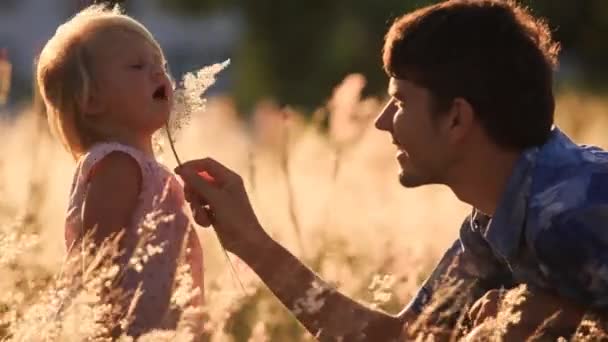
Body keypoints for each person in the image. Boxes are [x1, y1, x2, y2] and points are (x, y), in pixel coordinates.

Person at [176, 0, 606, 340]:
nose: (382, 121)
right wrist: (250, 242)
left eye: (399, 102)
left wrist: (566, 319)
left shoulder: (572, 212)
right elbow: (404, 337)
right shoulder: (495, 219)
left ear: (456, 118)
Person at [36, 5, 203, 337]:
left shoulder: (142, 168)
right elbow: (100, 267)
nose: (159, 74)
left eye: (161, 65)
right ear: (92, 100)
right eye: (138, 66)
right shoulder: (118, 167)